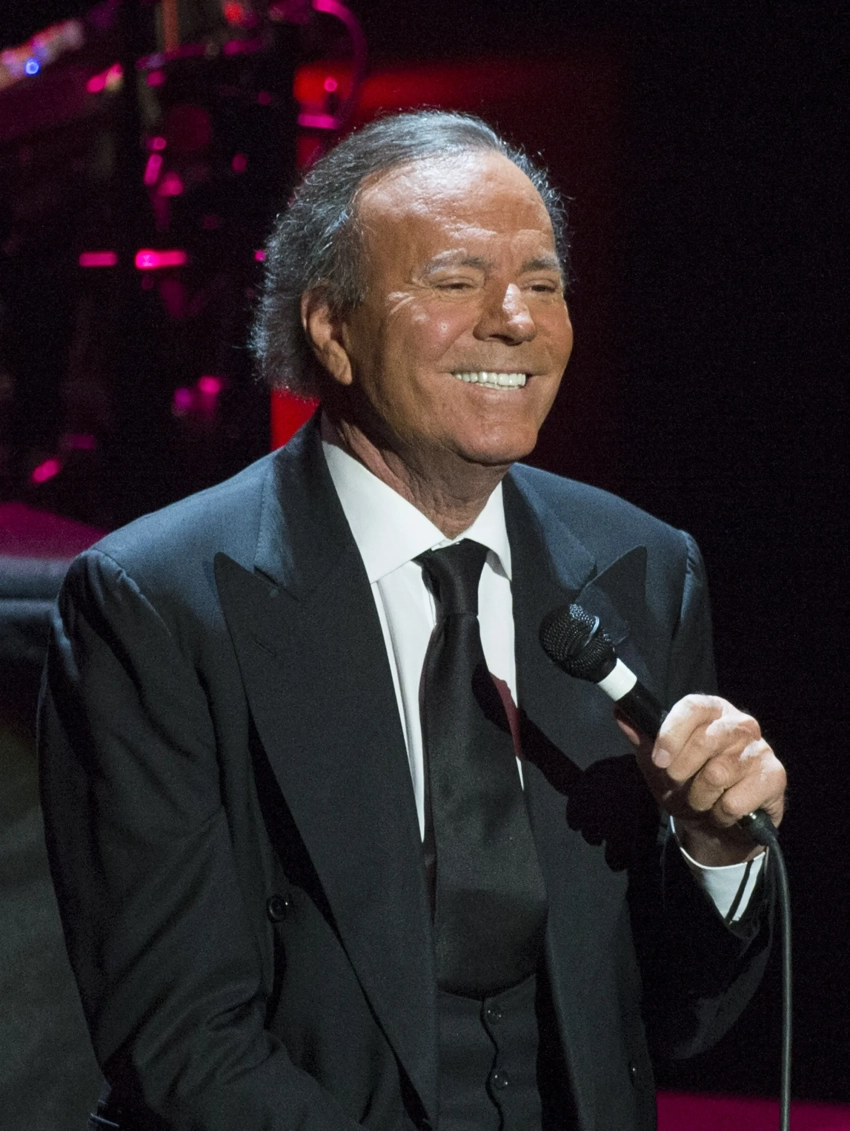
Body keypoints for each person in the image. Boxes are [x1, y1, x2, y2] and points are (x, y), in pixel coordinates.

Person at [39, 111, 786, 1131]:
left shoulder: (644, 570)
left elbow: (679, 1020)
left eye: (543, 284)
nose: (515, 320)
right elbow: (182, 1042)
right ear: (331, 328)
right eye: (456, 280)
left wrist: (713, 848)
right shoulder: (156, 602)